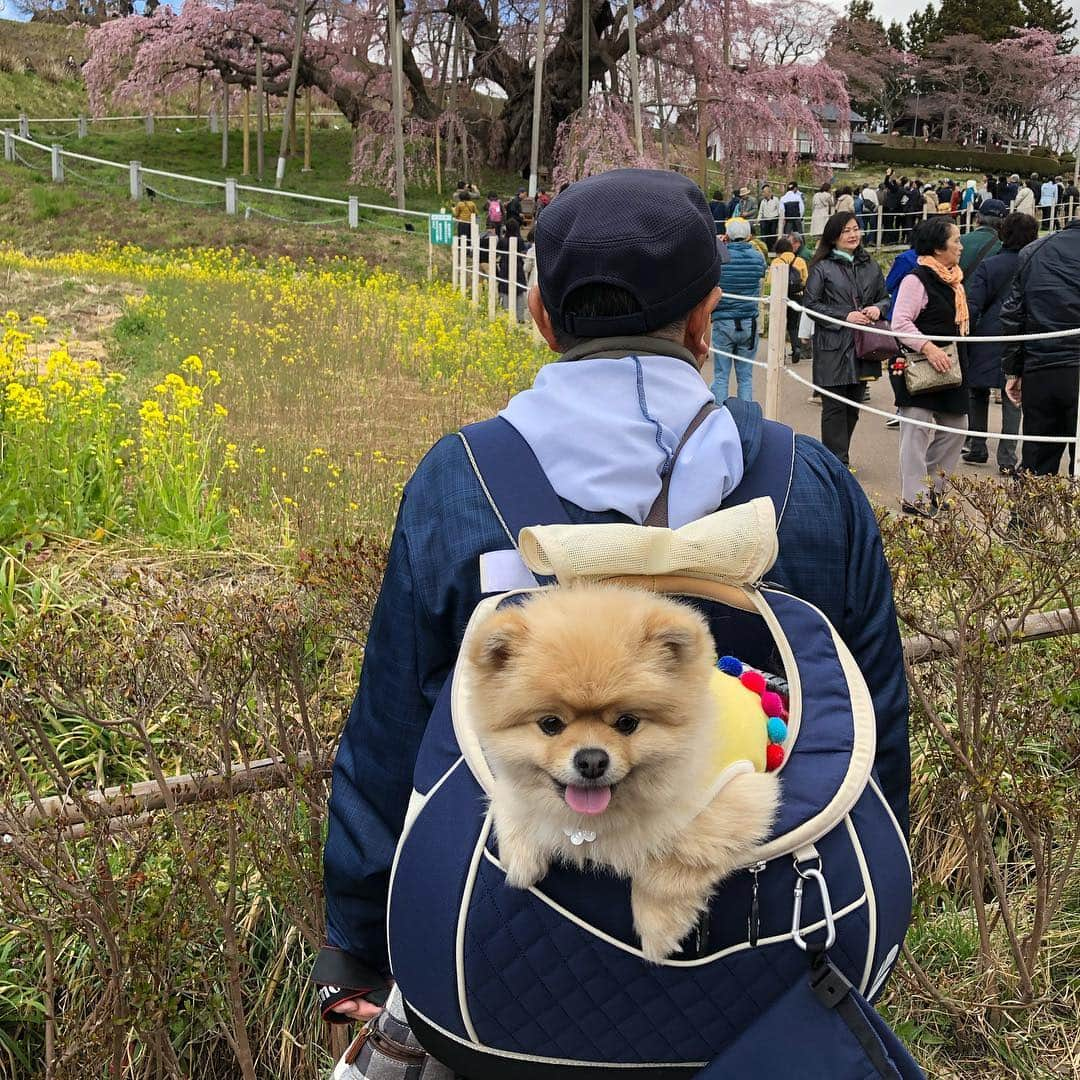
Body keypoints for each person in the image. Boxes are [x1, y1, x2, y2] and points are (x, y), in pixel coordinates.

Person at [315, 169, 910, 1044]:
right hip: (770, 963)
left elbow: (390, 731)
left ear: (540, 316)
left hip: (501, 974)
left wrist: (356, 957)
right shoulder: (806, 484)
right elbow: (872, 730)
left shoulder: (464, 481)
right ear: (707, 317)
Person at [889, 218, 969, 514]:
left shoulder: (955, 280)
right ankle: (916, 496)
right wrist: (928, 347)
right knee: (916, 431)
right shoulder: (915, 279)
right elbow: (900, 323)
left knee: (957, 427)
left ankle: (934, 486)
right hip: (919, 365)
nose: (961, 246)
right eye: (956, 241)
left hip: (950, 366)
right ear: (938, 248)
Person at [803, 212, 891, 466]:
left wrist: (878, 309)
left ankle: (839, 459)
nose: (853, 235)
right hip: (833, 347)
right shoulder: (822, 268)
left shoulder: (871, 266)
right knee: (833, 408)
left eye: (855, 229)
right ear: (833, 238)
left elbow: (885, 297)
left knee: (853, 407)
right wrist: (845, 316)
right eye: (846, 231)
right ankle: (836, 463)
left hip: (864, 347)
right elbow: (811, 304)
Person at [1000, 213, 1080, 476]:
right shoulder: (1034, 250)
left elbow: (1013, 315)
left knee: (1036, 464)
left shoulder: (1035, 250)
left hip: (1041, 367)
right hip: (1057, 362)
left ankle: (1023, 518)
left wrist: (1013, 371)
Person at [961, 212, 1037, 473]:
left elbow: (974, 304)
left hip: (988, 335)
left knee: (977, 392)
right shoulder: (1033, 265)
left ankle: (978, 446)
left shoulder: (990, 265)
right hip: (1020, 335)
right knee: (1013, 396)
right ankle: (1007, 457)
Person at [710, 217, 766, 402]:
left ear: (726, 235)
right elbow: (762, 272)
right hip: (748, 323)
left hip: (723, 321)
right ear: (749, 235)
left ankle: (718, 417)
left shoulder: (720, 258)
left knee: (720, 376)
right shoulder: (757, 257)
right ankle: (746, 419)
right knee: (745, 377)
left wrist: (719, 243)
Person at [772, 236, 808, 362]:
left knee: (779, 325)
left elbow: (770, 281)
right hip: (797, 296)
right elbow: (805, 280)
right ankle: (796, 348)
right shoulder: (800, 261)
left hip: (780, 296)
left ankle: (780, 352)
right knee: (793, 325)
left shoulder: (776, 262)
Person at [958, 198, 1005, 276]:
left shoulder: (959, 241)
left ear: (977, 217)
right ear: (1003, 222)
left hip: (960, 287)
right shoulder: (1002, 248)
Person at [496, 218, 531, 321]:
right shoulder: (519, 240)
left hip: (504, 268)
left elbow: (498, 252)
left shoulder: (502, 240)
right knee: (519, 292)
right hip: (518, 267)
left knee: (505, 290)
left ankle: (507, 315)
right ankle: (520, 318)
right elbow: (523, 251)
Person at [452, 184, 477, 250]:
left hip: (462, 222)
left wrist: (453, 209)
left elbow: (456, 214)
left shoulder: (460, 204)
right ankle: (469, 249)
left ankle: (461, 248)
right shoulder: (472, 203)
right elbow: (476, 213)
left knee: (462, 236)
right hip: (470, 222)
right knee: (469, 236)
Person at [757, 184, 781, 250]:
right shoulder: (763, 201)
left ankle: (773, 248)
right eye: (762, 192)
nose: (763, 193)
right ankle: (765, 248)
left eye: (764, 192)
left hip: (773, 219)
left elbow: (779, 210)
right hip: (765, 219)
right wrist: (758, 220)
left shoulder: (776, 199)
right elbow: (760, 212)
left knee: (772, 234)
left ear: (769, 192)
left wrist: (780, 219)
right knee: (765, 234)